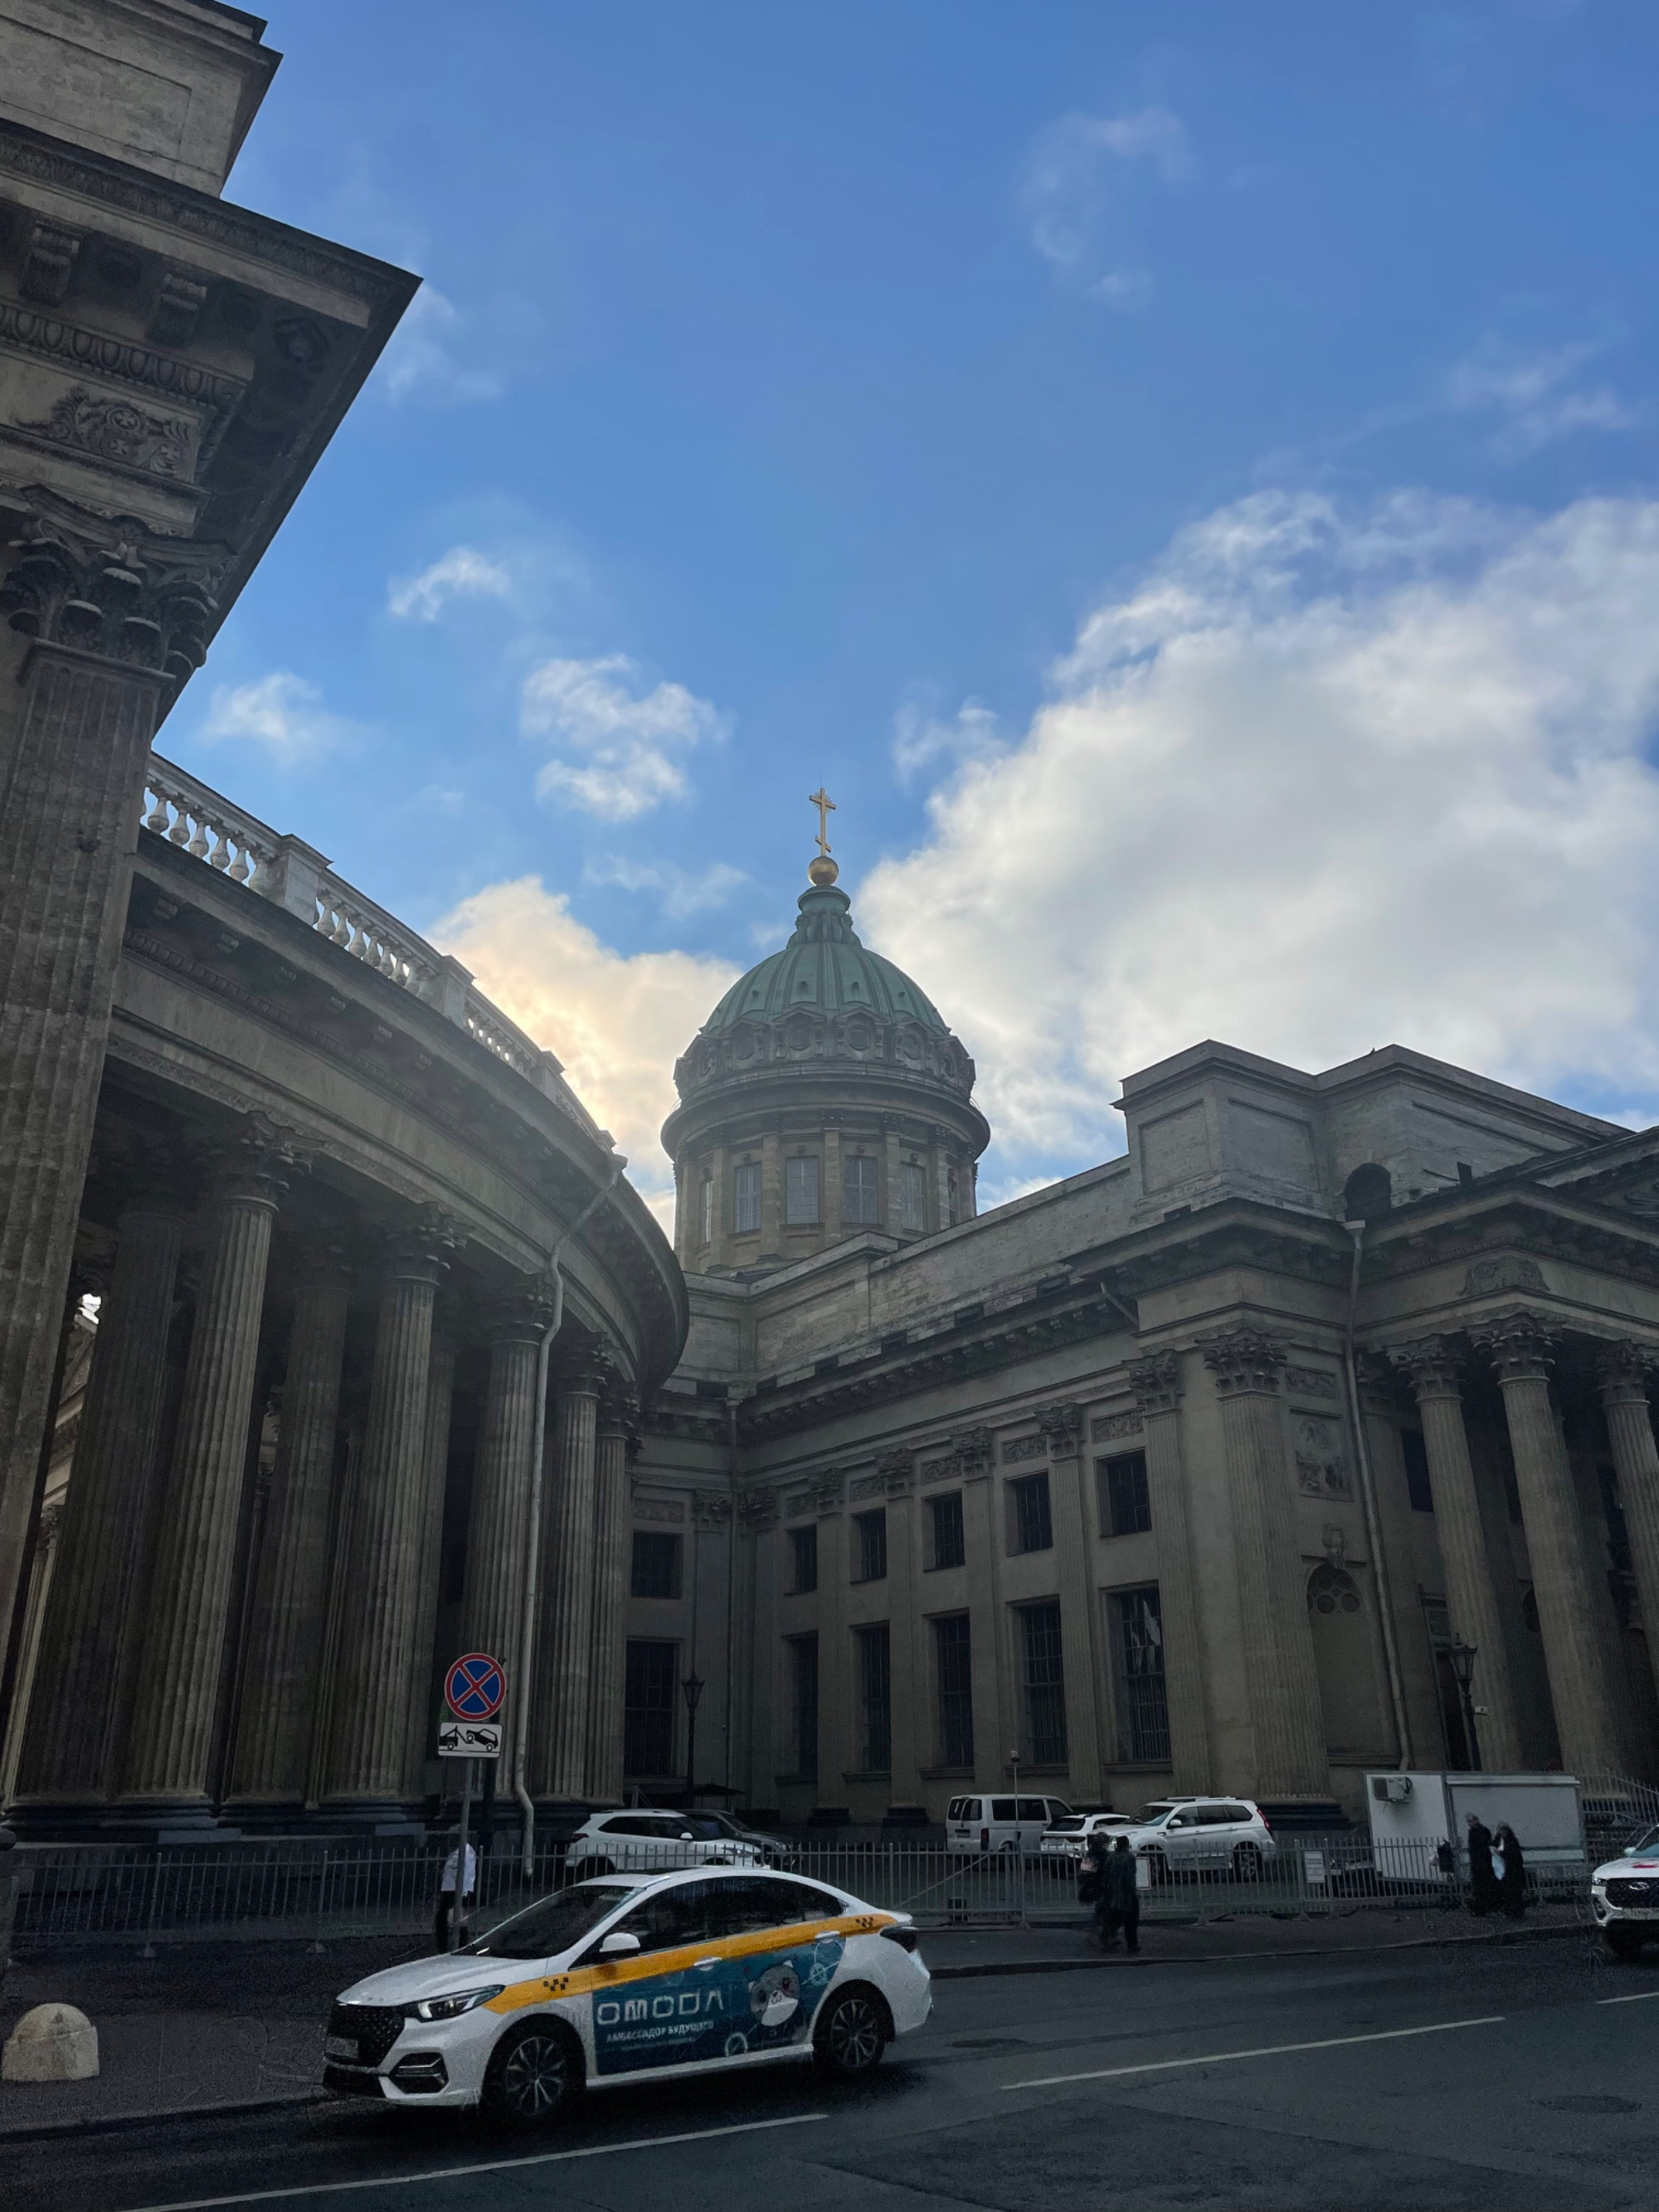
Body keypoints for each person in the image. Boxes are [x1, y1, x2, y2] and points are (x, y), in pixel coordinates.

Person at [435, 1830, 477, 1952]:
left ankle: (457, 1944)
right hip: (449, 1888)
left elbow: (466, 1872)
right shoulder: (456, 1851)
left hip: (456, 1890)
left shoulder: (465, 1851)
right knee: (447, 1918)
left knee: (456, 1918)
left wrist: (463, 1891)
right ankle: (451, 1944)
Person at [1101, 1835, 1141, 1954]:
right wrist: (1134, 1892)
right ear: (1127, 1845)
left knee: (1114, 1916)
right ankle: (1132, 1945)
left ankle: (1106, 1936)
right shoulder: (1129, 1858)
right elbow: (1130, 1878)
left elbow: (1106, 1874)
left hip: (1112, 1893)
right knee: (1131, 1921)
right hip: (1126, 1893)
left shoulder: (1111, 1857)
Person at [1466, 1812, 1499, 1917]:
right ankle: (1480, 1908)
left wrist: (1482, 1861)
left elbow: (1484, 1848)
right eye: (1469, 1822)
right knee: (1479, 1888)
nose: (1470, 1823)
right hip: (1478, 1864)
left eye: (1471, 1821)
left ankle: (1483, 1908)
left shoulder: (1481, 1831)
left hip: (1483, 1864)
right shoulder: (1474, 1832)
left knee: (1483, 1887)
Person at [1494, 1823, 1527, 1920]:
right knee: (1509, 1893)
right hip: (1507, 1871)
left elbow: (1513, 1856)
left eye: (1503, 1831)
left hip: (1513, 1871)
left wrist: (1501, 1854)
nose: (1502, 1833)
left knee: (1514, 1893)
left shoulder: (1511, 1841)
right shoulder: (1503, 1841)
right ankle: (1511, 1911)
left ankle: (1515, 1912)